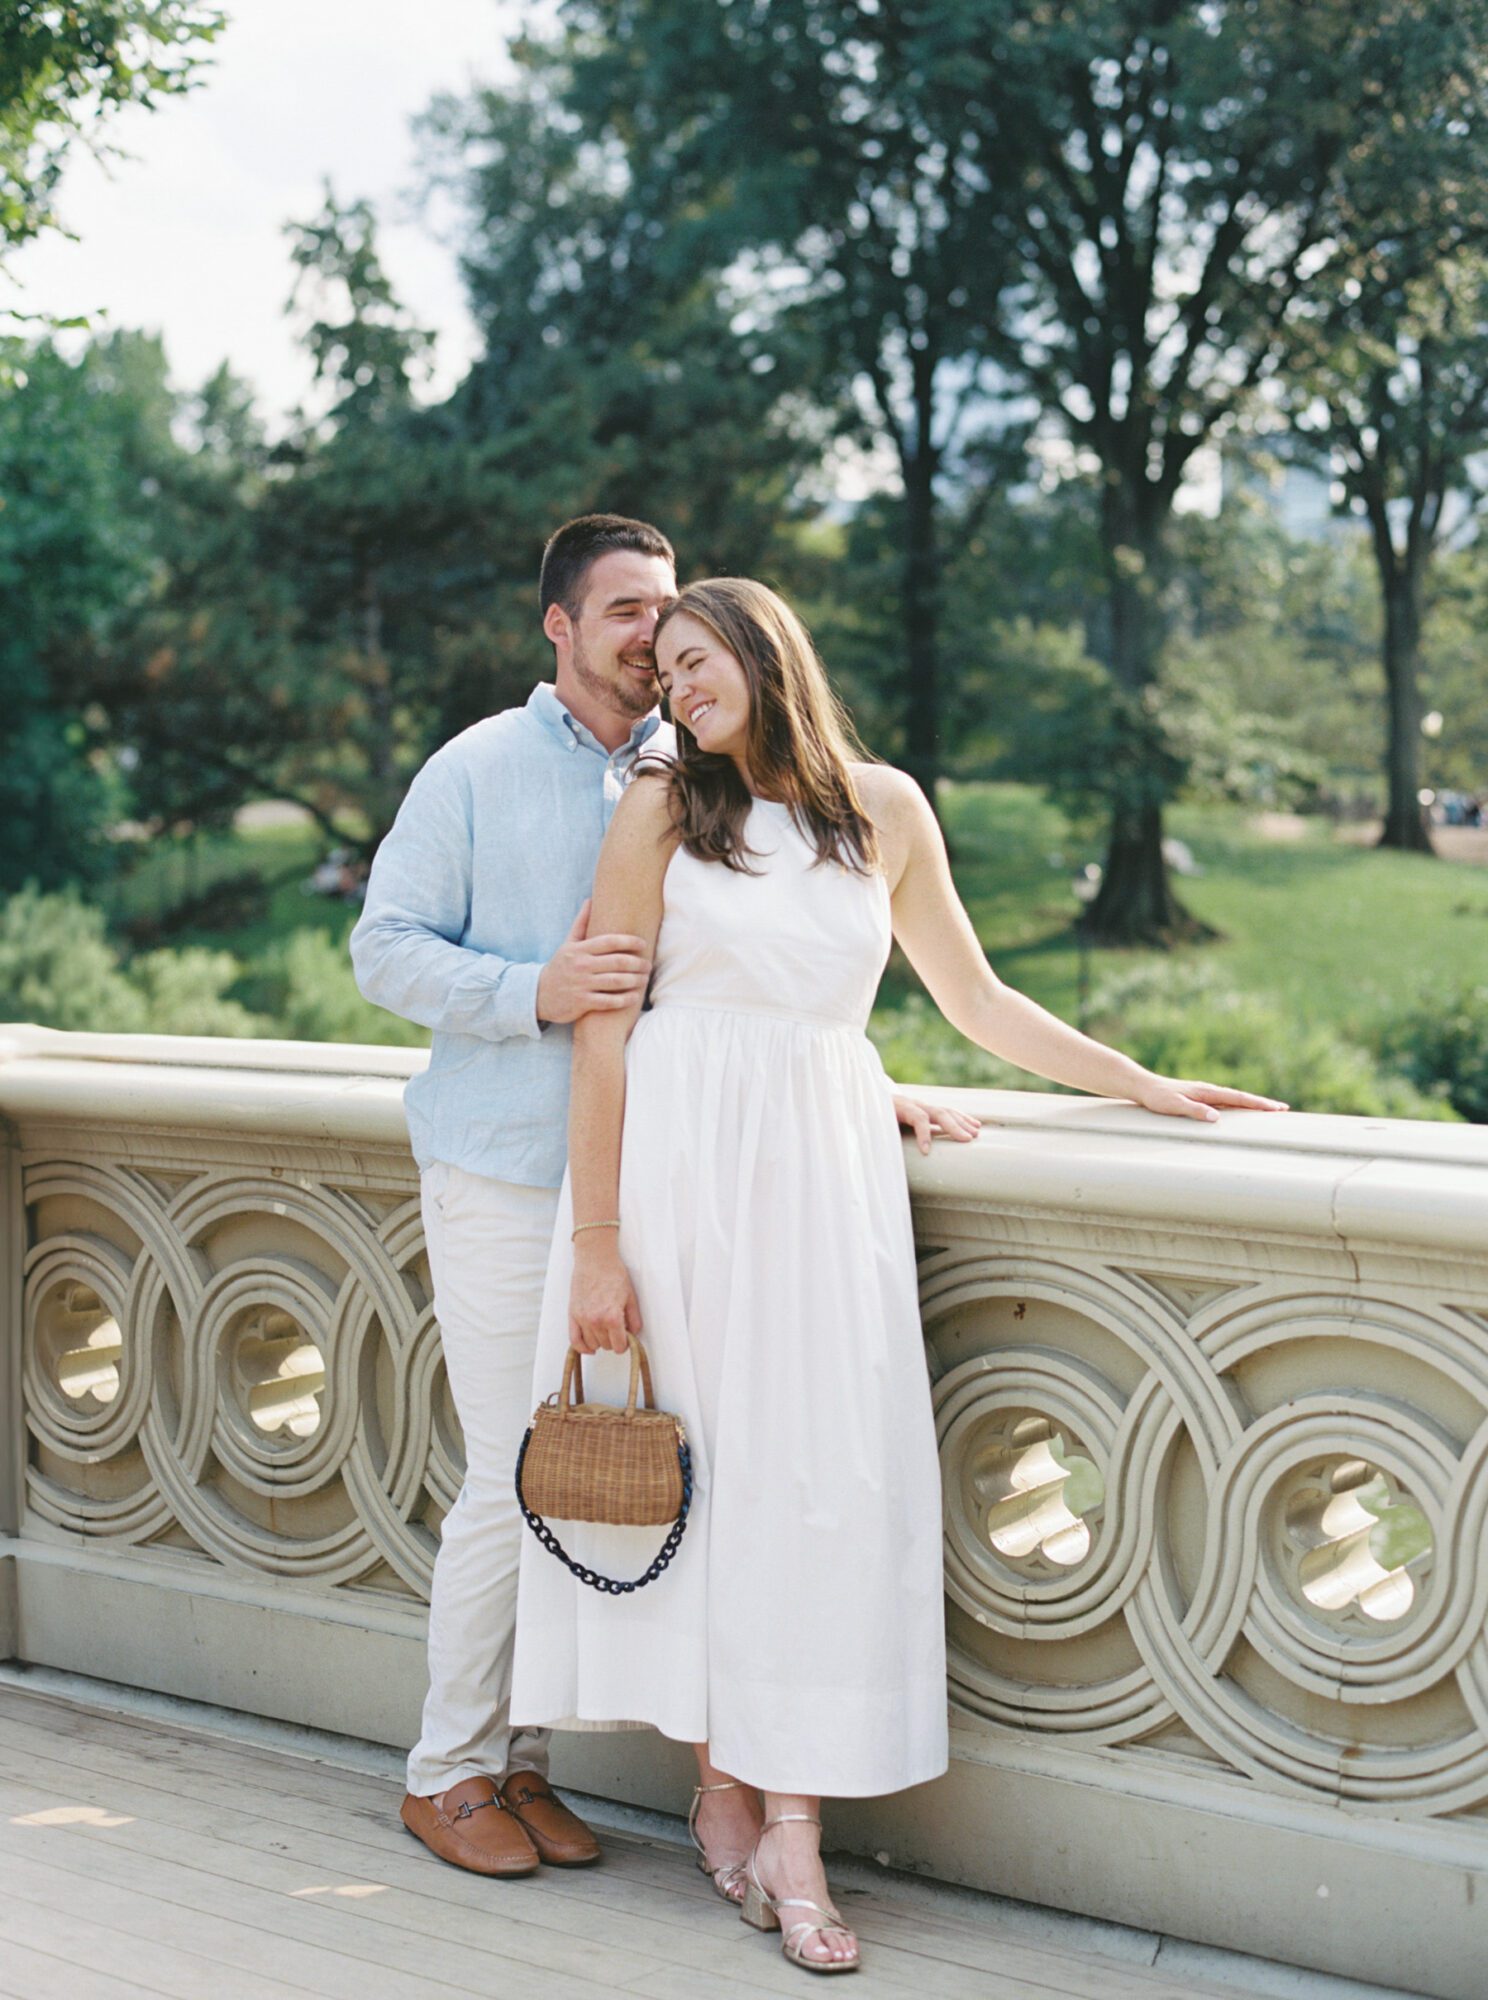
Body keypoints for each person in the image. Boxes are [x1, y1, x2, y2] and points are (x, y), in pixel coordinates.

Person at [508, 577, 1286, 1975]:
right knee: (692, 1477)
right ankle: (726, 1786)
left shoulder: (888, 810)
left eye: (700, 660)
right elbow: (608, 1035)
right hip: (676, 1168)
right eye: (664, 670)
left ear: (766, 652)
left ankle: (783, 1817)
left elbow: (974, 1000)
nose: (681, 688)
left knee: (812, 1486)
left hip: (817, 1175)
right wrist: (598, 1248)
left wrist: (1141, 1081)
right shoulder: (656, 813)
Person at [350, 520, 968, 1882]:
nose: (651, 635)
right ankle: (448, 1772)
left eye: (671, 615)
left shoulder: (686, 775)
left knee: (618, 1482)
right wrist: (530, 994)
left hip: (659, 1181)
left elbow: (736, 972)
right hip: (510, 1167)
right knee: (526, 1478)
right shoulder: (479, 767)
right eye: (627, 611)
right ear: (559, 627)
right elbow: (379, 948)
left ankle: (523, 1767)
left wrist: (858, 1088)